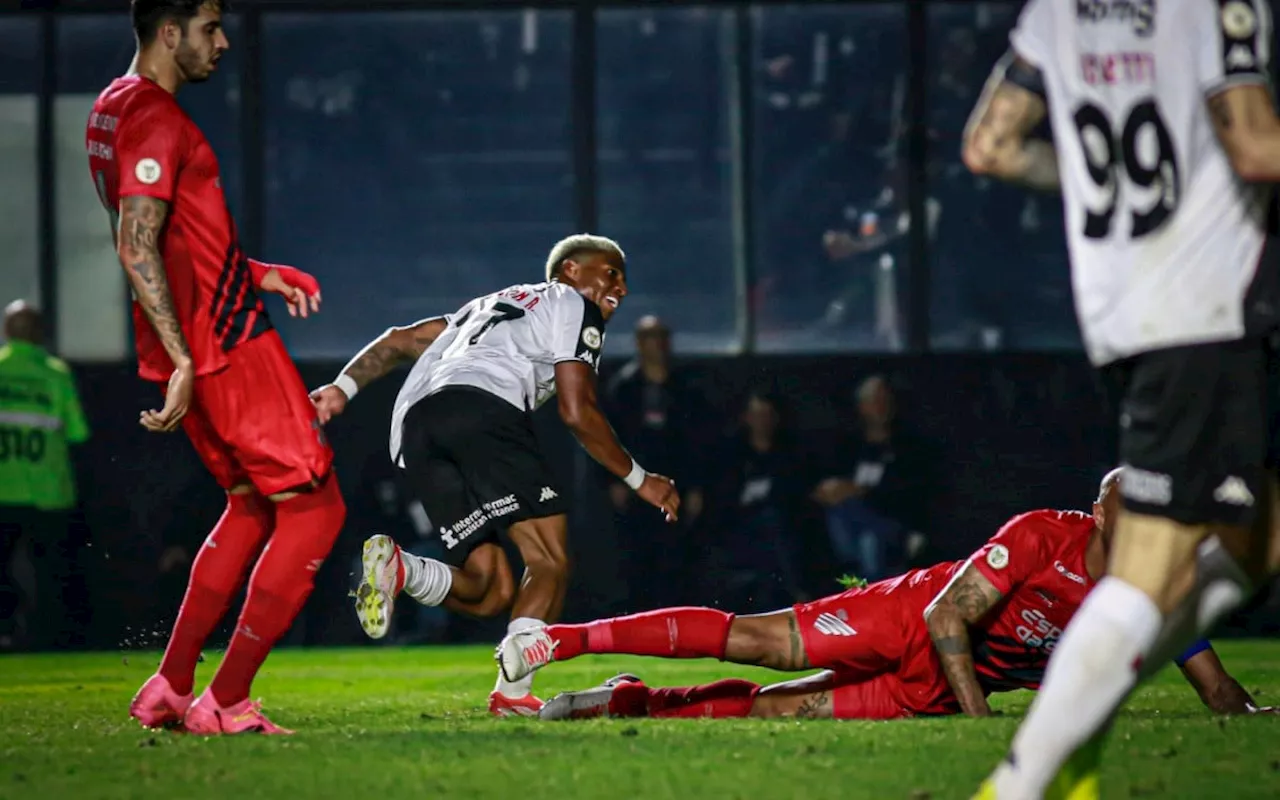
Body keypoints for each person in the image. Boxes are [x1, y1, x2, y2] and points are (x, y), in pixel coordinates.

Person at [960, 2, 1280, 796]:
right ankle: (1032, 772)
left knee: (1257, 540)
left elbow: (990, 147)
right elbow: (1254, 144)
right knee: (1150, 570)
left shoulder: (1056, 14)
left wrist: (1116, 185)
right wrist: (1184, 188)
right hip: (1204, 310)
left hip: (1121, 310)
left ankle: (1070, 735)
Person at [497, 469, 1272, 721]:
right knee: (758, 642)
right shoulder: (1045, 534)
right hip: (912, 617)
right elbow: (946, 615)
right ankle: (557, 641)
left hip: (940, 675)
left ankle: (622, 702)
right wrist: (977, 720)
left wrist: (1240, 709)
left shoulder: (1155, 581)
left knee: (780, 713)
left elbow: (1207, 676)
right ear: (1103, 511)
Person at [87, 0, 346, 735]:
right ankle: (226, 700)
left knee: (250, 505)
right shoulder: (156, 118)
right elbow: (136, 244)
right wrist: (183, 358)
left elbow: (168, 236)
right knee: (317, 510)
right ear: (169, 33)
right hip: (222, 347)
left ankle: (170, 687)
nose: (223, 42)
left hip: (198, 341)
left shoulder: (111, 106)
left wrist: (255, 271)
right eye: (209, 28)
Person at [310, 233, 681, 717]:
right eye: (612, 273)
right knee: (548, 560)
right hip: (481, 407)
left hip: (414, 430)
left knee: (491, 590)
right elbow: (577, 409)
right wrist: (640, 479)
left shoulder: (483, 306)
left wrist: (341, 388)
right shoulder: (571, 303)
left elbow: (400, 340)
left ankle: (401, 569)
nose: (622, 289)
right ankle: (511, 696)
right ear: (570, 270)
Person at [0, 301, 91, 651]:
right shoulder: (55, 373)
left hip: (3, 491)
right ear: (39, 333)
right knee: (51, 573)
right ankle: (50, 638)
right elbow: (78, 433)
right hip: (48, 492)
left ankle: (8, 632)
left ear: (7, 331)